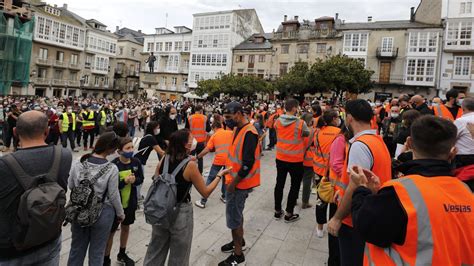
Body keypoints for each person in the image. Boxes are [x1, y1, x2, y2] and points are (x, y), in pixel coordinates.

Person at [351, 116, 474, 265]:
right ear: (453, 152)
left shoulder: (400, 192)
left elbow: (366, 226)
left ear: (409, 143)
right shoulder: (466, 191)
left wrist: (362, 190)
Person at [144, 129, 231, 266]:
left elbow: (156, 179)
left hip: (160, 209)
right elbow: (205, 192)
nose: (194, 141)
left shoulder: (164, 159)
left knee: (155, 249)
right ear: (186, 145)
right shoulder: (190, 166)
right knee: (179, 255)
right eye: (191, 139)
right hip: (180, 212)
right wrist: (220, 175)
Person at [0, 111, 72, 266]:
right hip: (49, 240)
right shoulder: (65, 155)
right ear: (46, 131)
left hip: (11, 249)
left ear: (15, 132)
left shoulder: (4, 165)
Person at [327, 99, 392, 266]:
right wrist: (340, 192)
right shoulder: (377, 140)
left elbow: (355, 185)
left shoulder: (360, 145)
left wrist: (337, 217)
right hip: (372, 210)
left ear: (349, 118)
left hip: (354, 217)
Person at [67, 132, 125, 266]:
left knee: (76, 249)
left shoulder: (79, 161)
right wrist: (120, 213)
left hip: (79, 210)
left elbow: (70, 185)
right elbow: (113, 195)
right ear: (110, 148)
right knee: (97, 251)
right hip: (102, 212)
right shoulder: (111, 168)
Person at [219, 102, 260, 266]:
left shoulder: (250, 132)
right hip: (234, 181)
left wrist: (233, 184)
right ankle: (238, 241)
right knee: (237, 215)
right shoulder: (238, 129)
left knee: (234, 219)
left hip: (239, 184)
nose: (226, 121)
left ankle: (238, 254)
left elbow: (247, 163)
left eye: (229, 117)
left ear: (238, 113)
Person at [105, 137, 144, 266]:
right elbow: (110, 187)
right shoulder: (114, 165)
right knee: (110, 232)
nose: (131, 150)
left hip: (130, 203)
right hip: (115, 206)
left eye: (132, 147)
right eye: (127, 148)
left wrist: (135, 181)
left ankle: (122, 253)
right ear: (119, 151)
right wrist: (124, 182)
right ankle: (106, 258)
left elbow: (140, 178)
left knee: (126, 228)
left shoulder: (136, 162)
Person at [273, 99, 310, 223]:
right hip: (295, 160)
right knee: (294, 186)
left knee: (279, 184)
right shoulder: (301, 123)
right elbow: (307, 134)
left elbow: (276, 130)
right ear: (294, 108)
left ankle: (277, 211)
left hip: (281, 158)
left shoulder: (277, 121)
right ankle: (289, 213)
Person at [194, 115, 233, 208]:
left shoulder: (214, 135)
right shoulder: (230, 133)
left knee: (211, 178)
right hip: (229, 160)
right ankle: (225, 197)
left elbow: (207, 149)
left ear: (214, 127)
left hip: (218, 160)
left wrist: (198, 157)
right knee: (225, 177)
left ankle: (203, 201)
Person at [313, 110, 341, 237]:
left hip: (319, 171)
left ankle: (319, 228)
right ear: (334, 119)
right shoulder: (340, 133)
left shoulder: (318, 132)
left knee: (321, 199)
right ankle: (333, 225)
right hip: (334, 173)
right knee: (335, 200)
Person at [453, 97, 474, 190]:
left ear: (463, 108)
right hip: (467, 157)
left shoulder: (461, 121)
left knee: (462, 187)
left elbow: (450, 138)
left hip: (464, 159)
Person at [186, 105, 210, 174]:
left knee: (191, 158)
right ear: (201, 110)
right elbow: (208, 129)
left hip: (192, 141)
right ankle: (200, 173)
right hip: (201, 141)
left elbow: (186, 129)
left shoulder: (189, 118)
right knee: (200, 157)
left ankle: (190, 172)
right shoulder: (205, 118)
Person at [301, 113, 315, 210]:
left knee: (297, 180)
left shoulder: (299, 130)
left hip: (298, 157)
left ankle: (293, 200)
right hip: (309, 158)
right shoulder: (312, 131)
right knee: (307, 180)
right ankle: (305, 202)